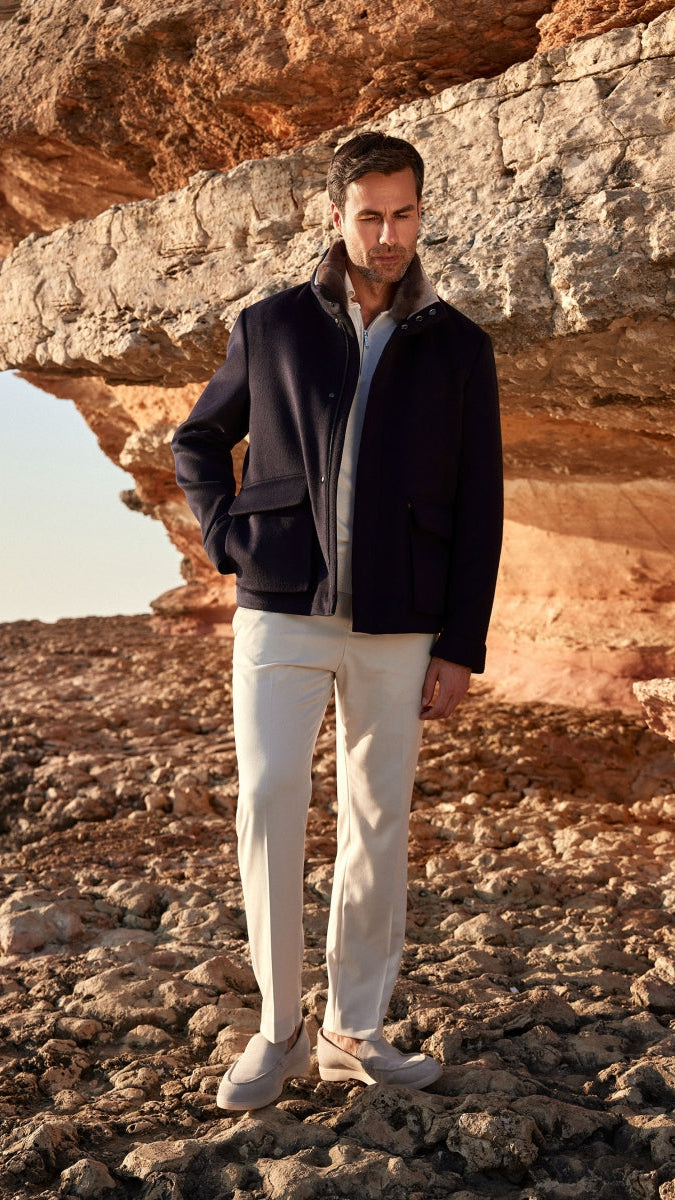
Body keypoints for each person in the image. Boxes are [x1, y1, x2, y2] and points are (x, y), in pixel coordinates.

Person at [171, 131, 503, 1111]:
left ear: (420, 214)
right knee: (270, 798)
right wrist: (227, 538)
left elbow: (481, 501)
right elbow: (198, 436)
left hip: (403, 623)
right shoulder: (270, 325)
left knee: (376, 823)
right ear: (336, 217)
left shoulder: (458, 347)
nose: (389, 233)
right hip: (281, 608)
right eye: (370, 216)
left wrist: (460, 642)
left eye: (404, 214)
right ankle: (278, 1031)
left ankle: (353, 1033)